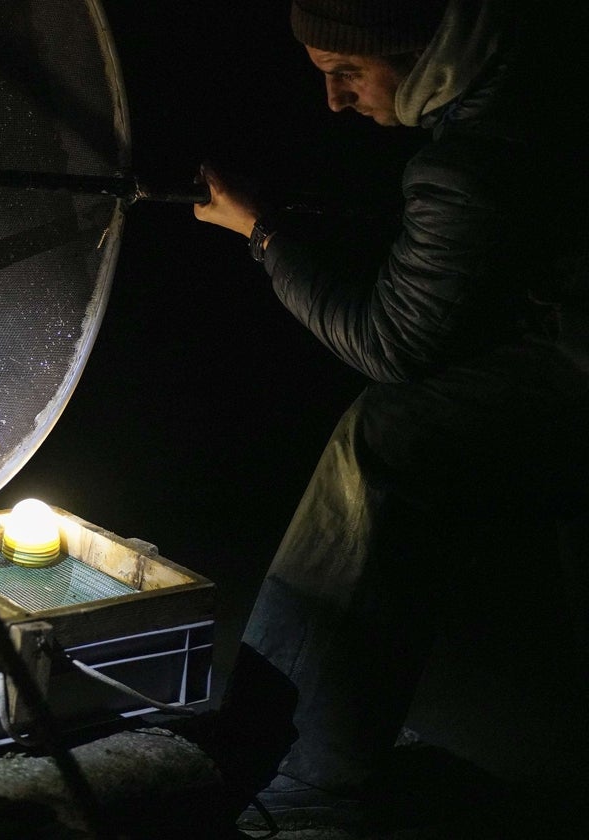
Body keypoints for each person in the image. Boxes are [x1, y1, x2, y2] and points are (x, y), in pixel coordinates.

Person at [192, 0, 589, 830]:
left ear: (428, 47)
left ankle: (294, 780)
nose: (335, 100)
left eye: (348, 72)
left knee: (384, 437)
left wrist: (263, 237)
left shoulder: (475, 158)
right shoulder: (529, 67)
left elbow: (390, 344)